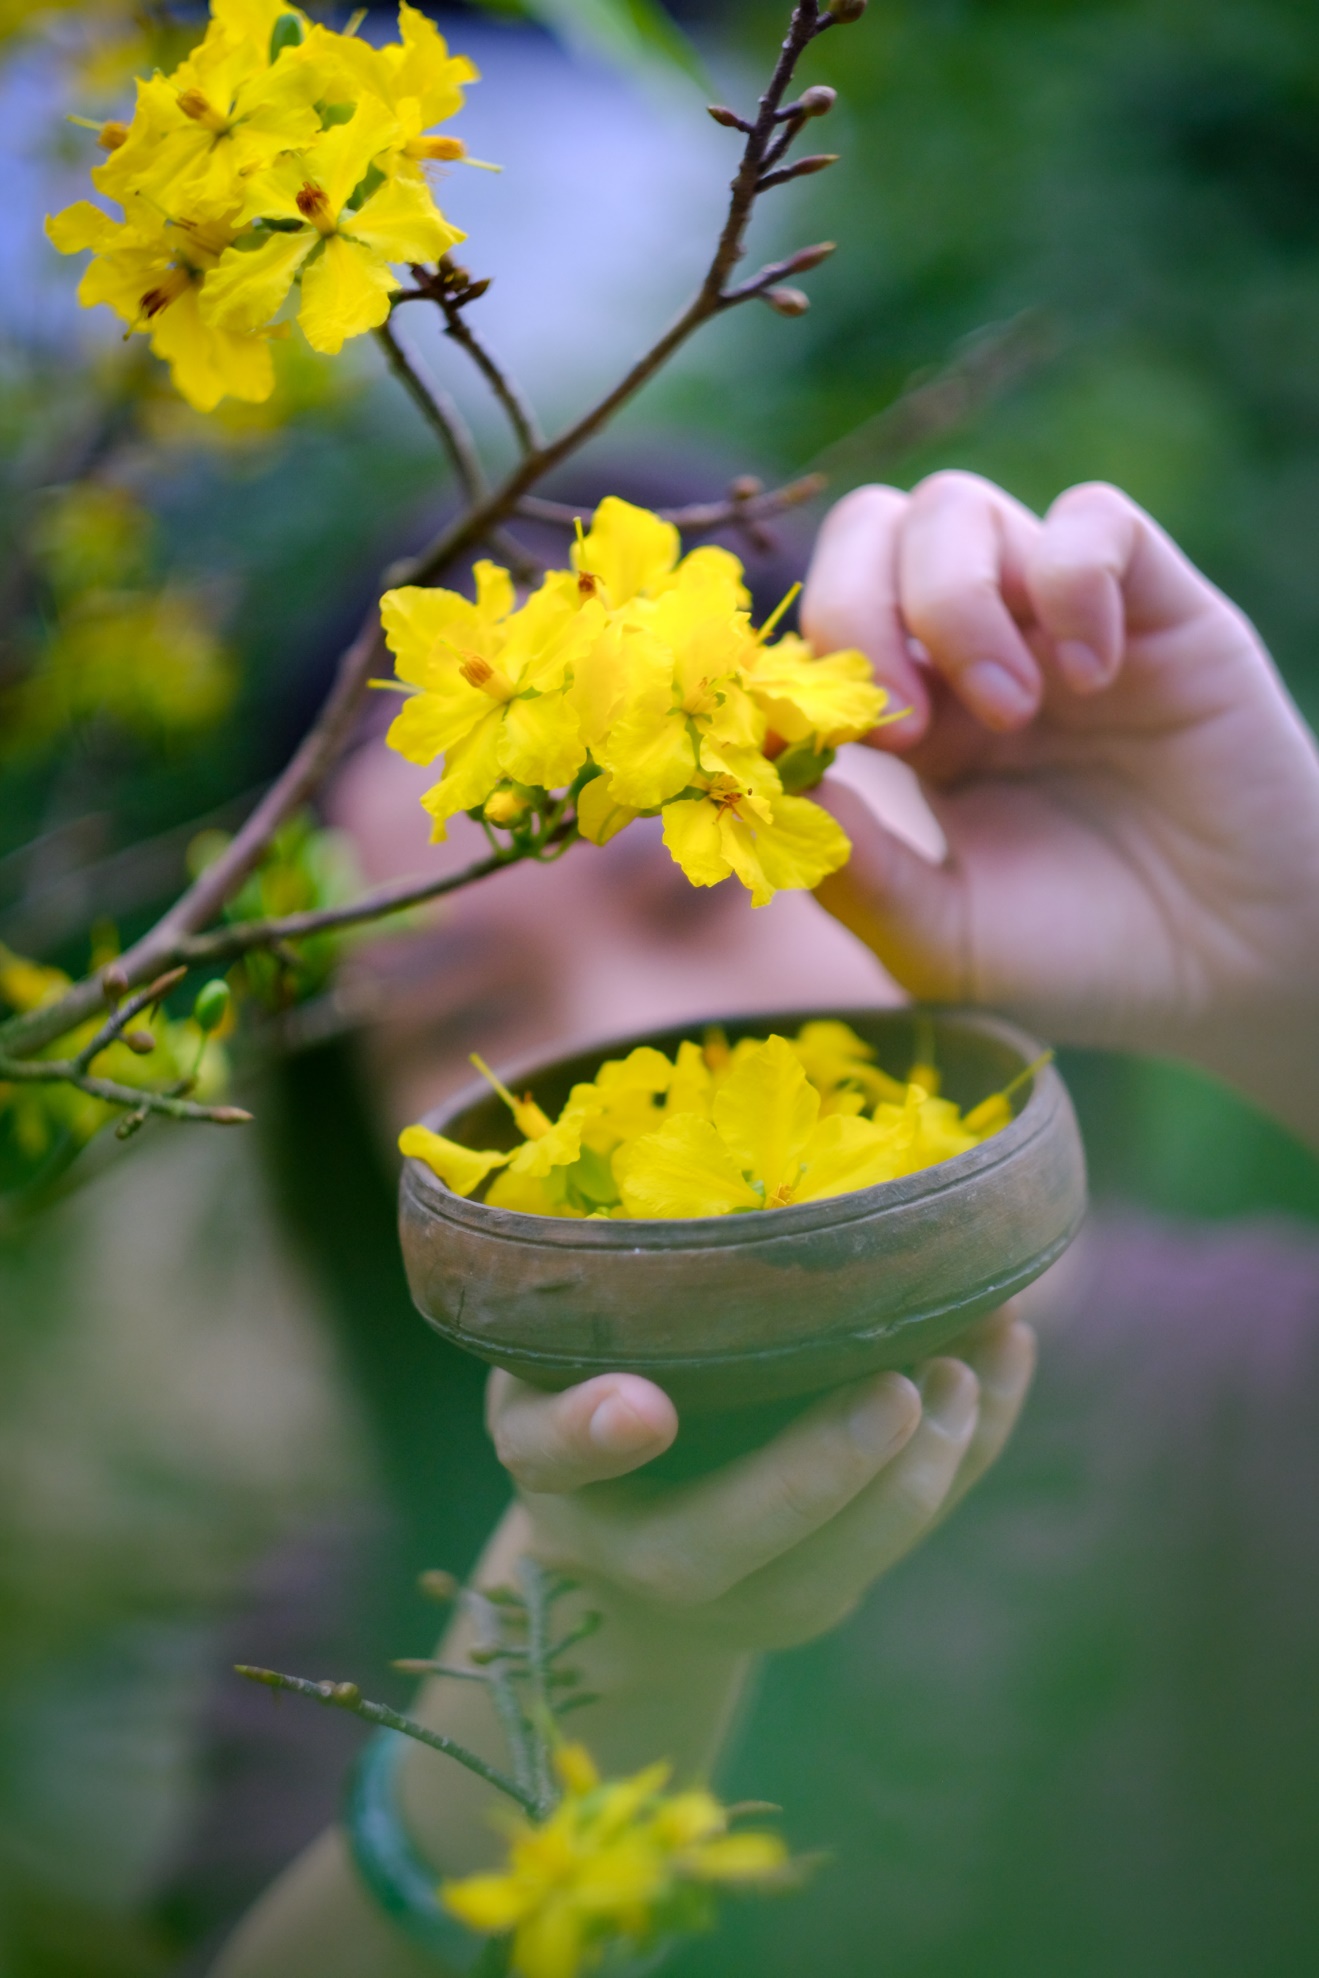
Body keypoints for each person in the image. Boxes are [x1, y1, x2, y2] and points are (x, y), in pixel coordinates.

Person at [213, 474, 1319, 1978]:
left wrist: (1286, 966)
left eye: (695, 882)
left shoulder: (1277, 1382)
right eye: (462, 1011)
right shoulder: (358, 1639)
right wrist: (553, 1708)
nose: (620, 1039)